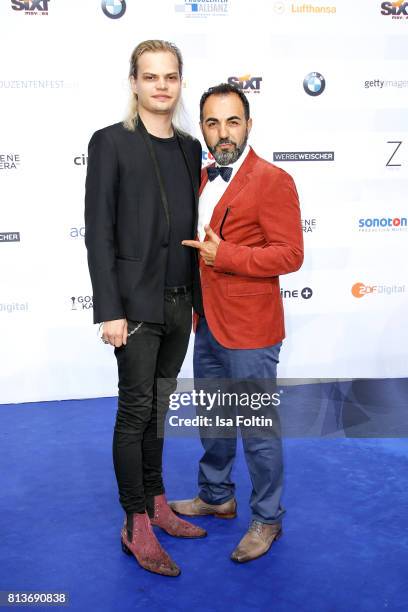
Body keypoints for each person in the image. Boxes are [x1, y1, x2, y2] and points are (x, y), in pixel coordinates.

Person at [84, 39, 206, 578]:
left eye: (171, 77)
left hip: (181, 303)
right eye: (151, 76)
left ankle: (157, 503)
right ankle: (135, 522)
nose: (162, 85)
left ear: (180, 83)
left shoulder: (189, 147)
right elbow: (98, 233)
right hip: (133, 307)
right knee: (135, 415)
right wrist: (109, 310)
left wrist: (199, 302)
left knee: (160, 410)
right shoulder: (110, 142)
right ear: (133, 82)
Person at [170, 83, 304, 563]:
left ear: (248, 125)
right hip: (207, 321)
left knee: (257, 428)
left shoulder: (272, 179)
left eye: (232, 121)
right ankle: (216, 495)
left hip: (251, 327)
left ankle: (267, 519)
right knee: (214, 418)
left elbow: (290, 254)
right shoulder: (201, 178)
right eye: (212, 122)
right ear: (203, 127)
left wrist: (224, 254)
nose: (222, 133)